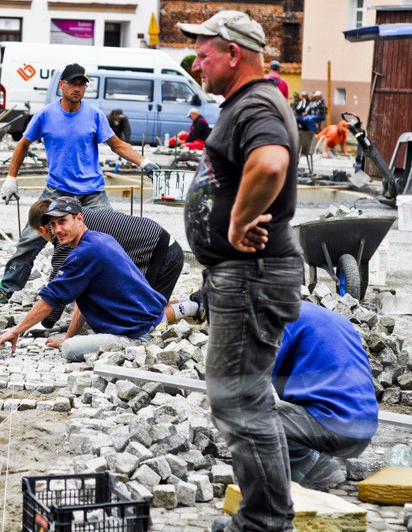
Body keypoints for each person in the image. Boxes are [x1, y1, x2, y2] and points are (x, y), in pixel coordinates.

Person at [178, 10, 303, 532]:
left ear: (235, 53)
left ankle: (265, 523)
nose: (196, 63)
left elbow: (270, 163)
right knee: (244, 397)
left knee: (239, 400)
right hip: (245, 277)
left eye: (204, 52)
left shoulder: (256, 104)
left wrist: (238, 222)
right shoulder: (250, 103)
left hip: (250, 276)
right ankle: (265, 518)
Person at [0, 63, 160, 306]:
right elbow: (23, 144)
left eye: (82, 84)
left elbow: (117, 144)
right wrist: (11, 178)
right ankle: (7, 287)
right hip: (57, 190)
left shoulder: (94, 115)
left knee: (112, 240)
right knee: (30, 238)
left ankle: (127, 292)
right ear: (62, 85)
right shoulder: (46, 114)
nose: (77, 88)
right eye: (73, 83)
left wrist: (144, 162)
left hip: (92, 193)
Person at [0, 197, 167, 362]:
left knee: (70, 349)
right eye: (53, 224)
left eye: (63, 221)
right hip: (156, 321)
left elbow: (49, 300)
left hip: (139, 334)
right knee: (70, 341)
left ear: (79, 218)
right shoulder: (100, 237)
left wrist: (15, 331)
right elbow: (83, 302)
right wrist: (68, 335)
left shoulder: (83, 254)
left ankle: (133, 342)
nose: (58, 230)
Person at [25, 198, 198, 328]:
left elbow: (57, 288)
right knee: (134, 305)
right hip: (152, 249)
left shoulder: (64, 234)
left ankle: (195, 306)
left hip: (162, 254)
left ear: (42, 229)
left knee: (146, 319)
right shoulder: (72, 218)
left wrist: (44, 323)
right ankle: (188, 301)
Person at [274, 301, 378, 490]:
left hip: (336, 428)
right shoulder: (325, 317)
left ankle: (315, 469)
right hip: (365, 429)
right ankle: (312, 456)